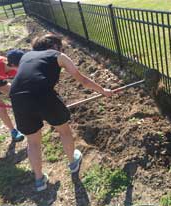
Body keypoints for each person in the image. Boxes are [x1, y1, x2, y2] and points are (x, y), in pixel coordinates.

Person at [10, 34, 113, 192]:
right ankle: (73, 162)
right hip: (43, 93)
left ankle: (39, 180)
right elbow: (83, 80)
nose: (63, 50)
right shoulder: (58, 55)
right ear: (55, 46)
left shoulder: (26, 56)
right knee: (64, 130)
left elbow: (25, 77)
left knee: (33, 142)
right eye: (62, 47)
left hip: (18, 97)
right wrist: (102, 90)